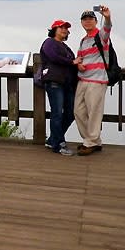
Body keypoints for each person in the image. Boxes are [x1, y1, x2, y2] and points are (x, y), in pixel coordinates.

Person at [40, 20, 82, 156]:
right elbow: (53, 57)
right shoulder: (49, 42)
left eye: (66, 28)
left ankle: (53, 139)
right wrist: (71, 62)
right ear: (54, 30)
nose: (64, 30)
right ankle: (59, 144)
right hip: (54, 82)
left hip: (66, 84)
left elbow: (74, 63)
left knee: (70, 113)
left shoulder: (66, 47)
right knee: (57, 113)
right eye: (61, 27)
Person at [74, 6, 112, 156]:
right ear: (82, 23)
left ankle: (91, 142)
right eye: (85, 19)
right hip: (83, 78)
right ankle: (90, 140)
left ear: (96, 21)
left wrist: (107, 17)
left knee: (94, 112)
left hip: (97, 80)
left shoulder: (100, 36)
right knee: (78, 111)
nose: (88, 22)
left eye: (91, 19)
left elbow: (107, 28)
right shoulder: (83, 40)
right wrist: (79, 64)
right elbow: (80, 58)